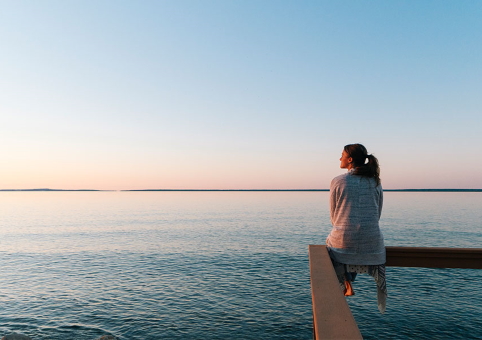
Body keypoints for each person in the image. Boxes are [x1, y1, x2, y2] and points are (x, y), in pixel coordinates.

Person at [326, 143, 387, 313]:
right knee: (350, 245)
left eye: (342, 155)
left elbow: (334, 215)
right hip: (373, 242)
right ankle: (349, 280)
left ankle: (347, 281)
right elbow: (378, 212)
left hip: (344, 240)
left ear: (350, 160)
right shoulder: (375, 181)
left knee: (333, 245)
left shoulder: (338, 181)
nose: (340, 158)